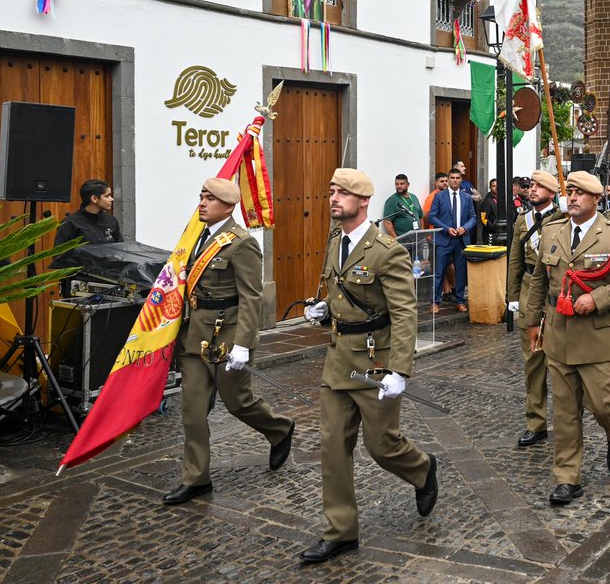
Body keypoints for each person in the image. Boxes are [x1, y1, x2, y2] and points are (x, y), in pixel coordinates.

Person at [299, 168, 438, 563]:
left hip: (376, 362)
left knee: (381, 445)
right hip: (339, 359)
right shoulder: (334, 241)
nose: (334, 198)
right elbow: (341, 293)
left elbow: (404, 312)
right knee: (332, 446)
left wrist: (400, 369)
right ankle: (340, 531)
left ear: (363, 201)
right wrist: (326, 310)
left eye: (343, 193)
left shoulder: (387, 250)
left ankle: (423, 469)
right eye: (331, 191)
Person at [163, 177, 295, 506]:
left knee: (238, 403)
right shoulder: (195, 238)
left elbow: (251, 297)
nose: (202, 203)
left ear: (228, 206)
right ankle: (196, 478)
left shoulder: (241, 242)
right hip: (195, 336)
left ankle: (279, 429)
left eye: (210, 198)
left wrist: (243, 344)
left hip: (228, 336)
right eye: (201, 196)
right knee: (192, 411)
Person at [522, 170, 610, 505]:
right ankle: (568, 477)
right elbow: (539, 279)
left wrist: (598, 298)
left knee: (604, 406)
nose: (572, 198)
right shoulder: (552, 231)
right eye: (569, 192)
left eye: (579, 193)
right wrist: (532, 321)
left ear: (595, 199)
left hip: (599, 337)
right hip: (559, 335)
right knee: (564, 411)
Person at [506, 170, 560, 448]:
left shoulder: (563, 218)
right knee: (532, 362)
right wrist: (512, 294)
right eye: (531, 186)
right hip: (529, 293)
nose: (532, 189)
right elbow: (514, 259)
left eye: (539, 186)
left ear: (551, 193)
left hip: (556, 293)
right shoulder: (521, 221)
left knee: (560, 363)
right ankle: (535, 422)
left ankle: (566, 421)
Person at [428, 167, 476, 313]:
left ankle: (460, 301)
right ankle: (435, 302)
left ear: (461, 180)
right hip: (444, 239)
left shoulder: (466, 197)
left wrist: (465, 228)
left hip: (461, 239)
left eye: (458, 178)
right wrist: (446, 228)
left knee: (460, 272)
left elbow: (473, 217)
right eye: (452, 178)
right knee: (439, 271)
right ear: (448, 180)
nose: (455, 180)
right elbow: (432, 216)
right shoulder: (439, 197)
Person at [55, 179, 123, 248]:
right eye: (107, 196)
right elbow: (60, 255)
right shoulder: (70, 223)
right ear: (94, 198)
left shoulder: (111, 220)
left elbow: (121, 249)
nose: (112, 199)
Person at [381, 174, 422, 238]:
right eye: (397, 184)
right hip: (403, 240)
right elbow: (387, 222)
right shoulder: (392, 200)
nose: (399, 186)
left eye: (402, 184)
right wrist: (397, 240)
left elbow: (420, 217)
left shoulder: (414, 197)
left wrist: (421, 234)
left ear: (408, 184)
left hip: (417, 239)